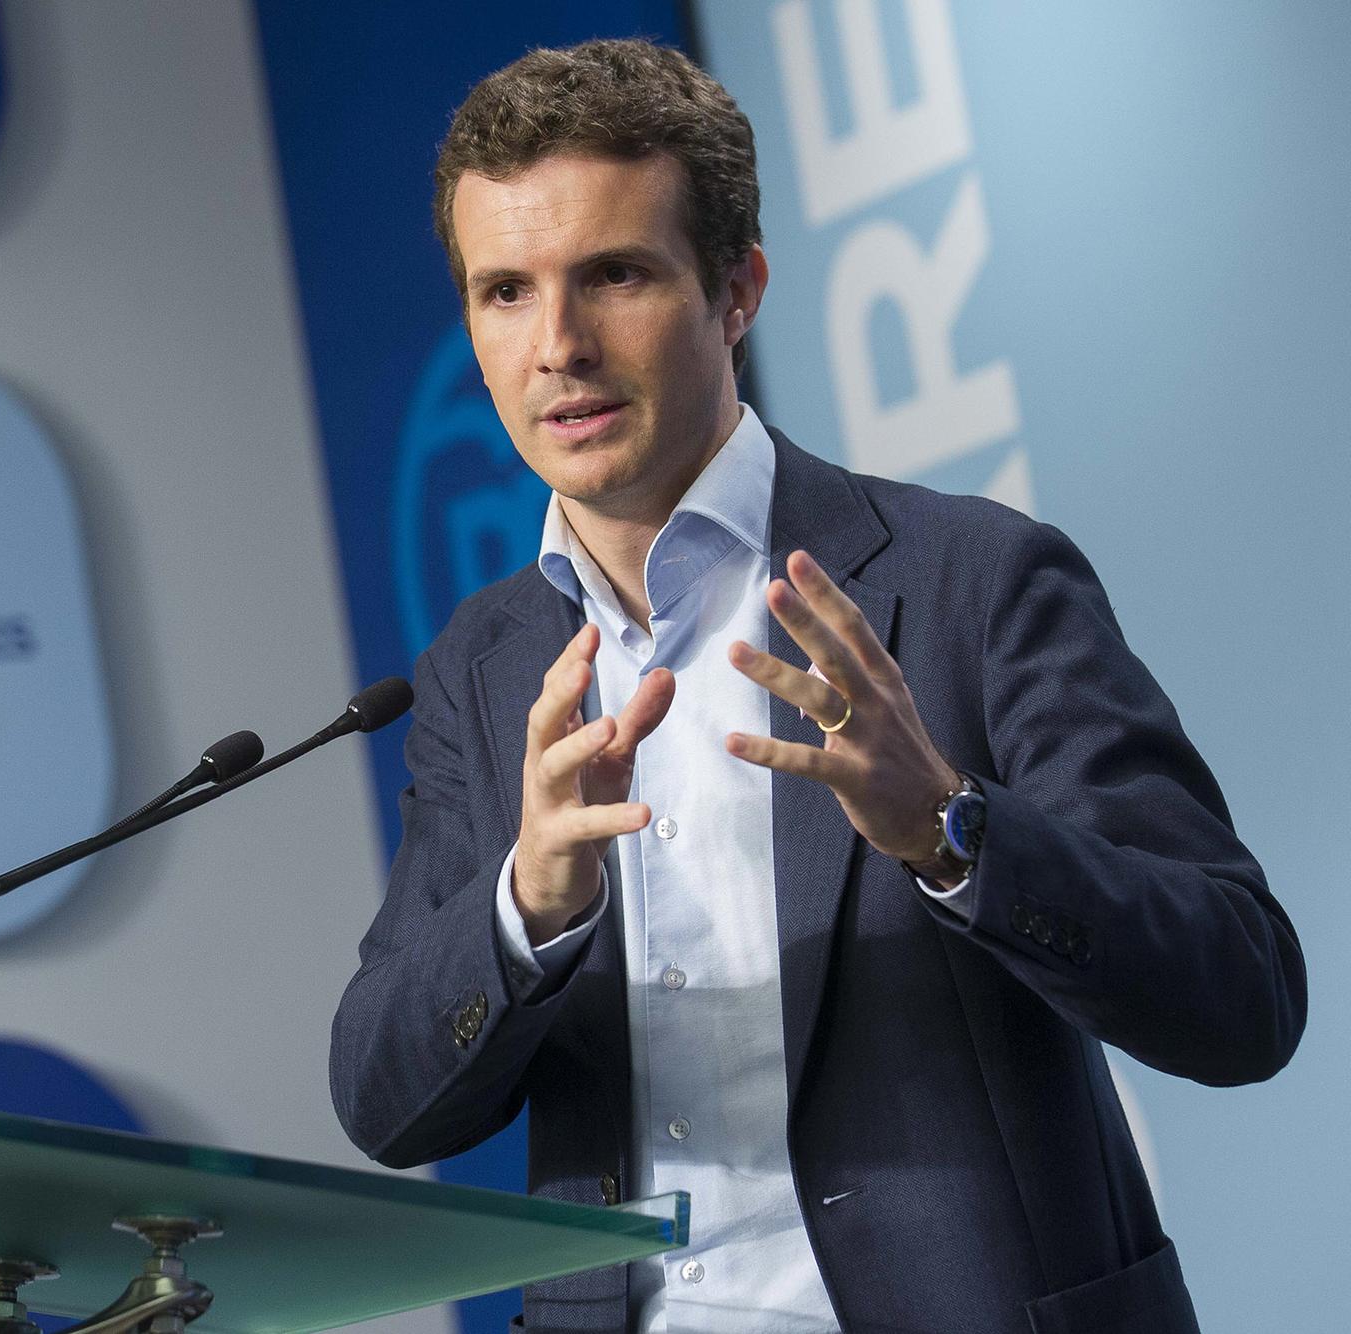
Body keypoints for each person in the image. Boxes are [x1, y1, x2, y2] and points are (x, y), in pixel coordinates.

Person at [328, 38, 1306, 1334]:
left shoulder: (973, 579)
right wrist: (527, 906)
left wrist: (955, 834)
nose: (556, 342)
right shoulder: (482, 662)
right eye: (505, 290)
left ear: (738, 291)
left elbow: (1243, 993)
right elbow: (383, 1100)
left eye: (614, 274)